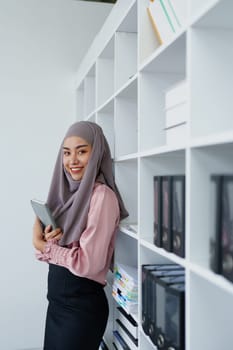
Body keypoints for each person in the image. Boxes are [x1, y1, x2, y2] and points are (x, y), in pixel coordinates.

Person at [32, 121, 128, 350]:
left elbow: (87, 263)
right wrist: (43, 234)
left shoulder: (102, 197)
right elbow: (65, 249)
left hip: (80, 312)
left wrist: (43, 246)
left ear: (97, 154)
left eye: (82, 151)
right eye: (66, 153)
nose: (72, 161)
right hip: (57, 305)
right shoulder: (69, 197)